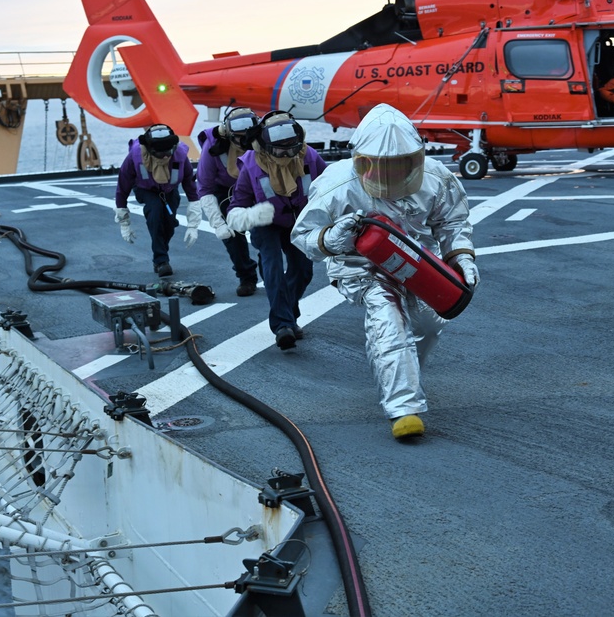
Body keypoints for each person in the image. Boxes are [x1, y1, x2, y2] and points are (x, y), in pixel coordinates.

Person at [291, 103, 477, 441]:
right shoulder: (336, 185)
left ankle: (399, 370)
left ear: (416, 158)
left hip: (419, 262)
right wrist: (332, 238)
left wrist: (461, 256)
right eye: (382, 166)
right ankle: (404, 409)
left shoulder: (435, 178)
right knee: (387, 319)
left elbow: (452, 221)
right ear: (361, 160)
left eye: (400, 165)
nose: (391, 174)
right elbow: (303, 236)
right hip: (360, 267)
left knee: (430, 325)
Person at [227, 111, 327, 350]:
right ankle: (282, 326)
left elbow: (331, 186)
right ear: (264, 145)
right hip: (266, 223)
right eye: (280, 149)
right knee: (272, 266)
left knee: (303, 270)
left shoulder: (309, 157)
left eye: (292, 148)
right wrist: (252, 215)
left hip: (300, 221)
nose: (287, 154)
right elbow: (236, 208)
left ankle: (289, 315)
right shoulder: (251, 165)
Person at [184, 107, 261, 297]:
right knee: (232, 236)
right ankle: (246, 277)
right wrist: (218, 223)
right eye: (238, 137)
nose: (244, 141)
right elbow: (205, 187)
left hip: (257, 184)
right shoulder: (213, 149)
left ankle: (269, 270)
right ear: (228, 134)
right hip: (226, 191)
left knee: (264, 232)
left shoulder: (262, 141)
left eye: (248, 137)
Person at [113, 123, 199, 277]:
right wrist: (124, 222)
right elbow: (122, 187)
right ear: (151, 150)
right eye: (161, 153)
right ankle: (161, 261)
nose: (166, 156)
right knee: (155, 212)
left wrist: (193, 222)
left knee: (169, 223)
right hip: (145, 189)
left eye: (168, 152)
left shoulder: (179, 154)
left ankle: (161, 254)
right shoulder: (135, 156)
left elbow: (189, 183)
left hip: (169, 190)